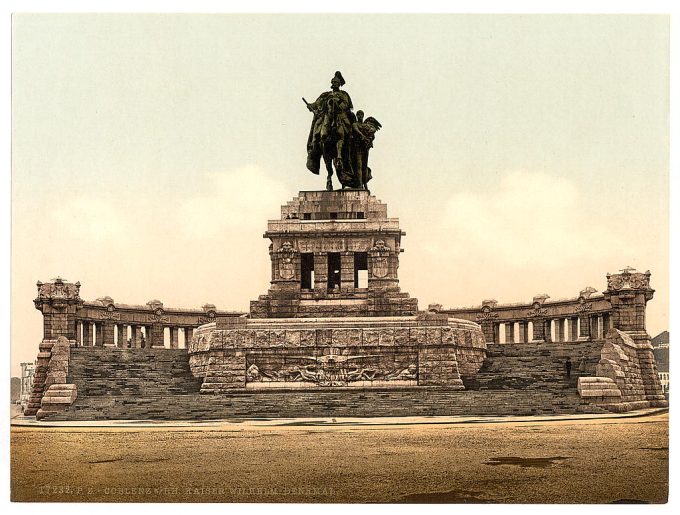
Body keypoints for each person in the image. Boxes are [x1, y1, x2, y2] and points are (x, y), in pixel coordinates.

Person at [305, 71, 355, 187]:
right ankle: (314, 148)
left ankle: (347, 144)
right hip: (327, 115)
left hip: (340, 115)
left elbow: (346, 105)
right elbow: (317, 103)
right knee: (318, 128)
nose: (334, 83)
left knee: (348, 126)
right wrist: (311, 105)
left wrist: (339, 106)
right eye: (332, 82)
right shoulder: (326, 94)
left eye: (336, 82)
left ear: (339, 84)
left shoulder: (343, 94)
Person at [351, 110, 382, 189]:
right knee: (359, 166)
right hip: (357, 148)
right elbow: (356, 130)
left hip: (365, 148)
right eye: (358, 114)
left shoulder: (366, 125)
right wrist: (363, 136)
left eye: (361, 114)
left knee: (364, 166)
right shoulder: (355, 124)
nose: (360, 116)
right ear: (357, 116)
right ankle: (359, 184)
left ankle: (365, 183)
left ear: (363, 116)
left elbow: (373, 134)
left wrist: (370, 136)